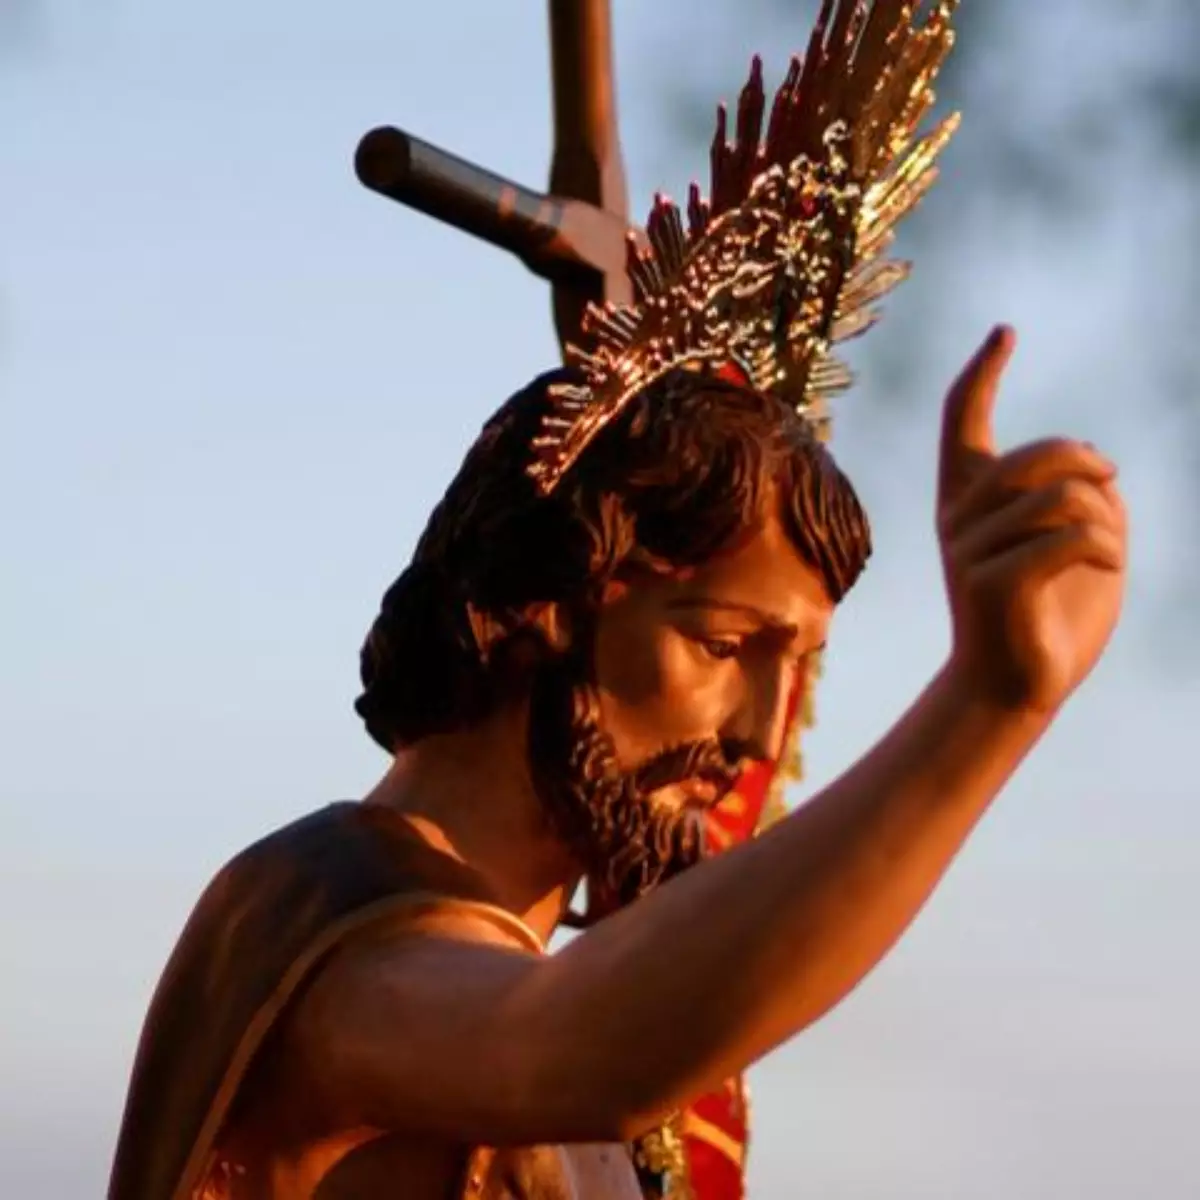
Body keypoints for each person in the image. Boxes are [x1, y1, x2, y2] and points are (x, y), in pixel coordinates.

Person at [107, 4, 1127, 1198]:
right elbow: (571, 1047)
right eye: (726, 645)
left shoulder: (545, 1022)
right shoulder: (317, 914)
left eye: (794, 668)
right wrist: (987, 707)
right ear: (546, 604)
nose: (757, 736)